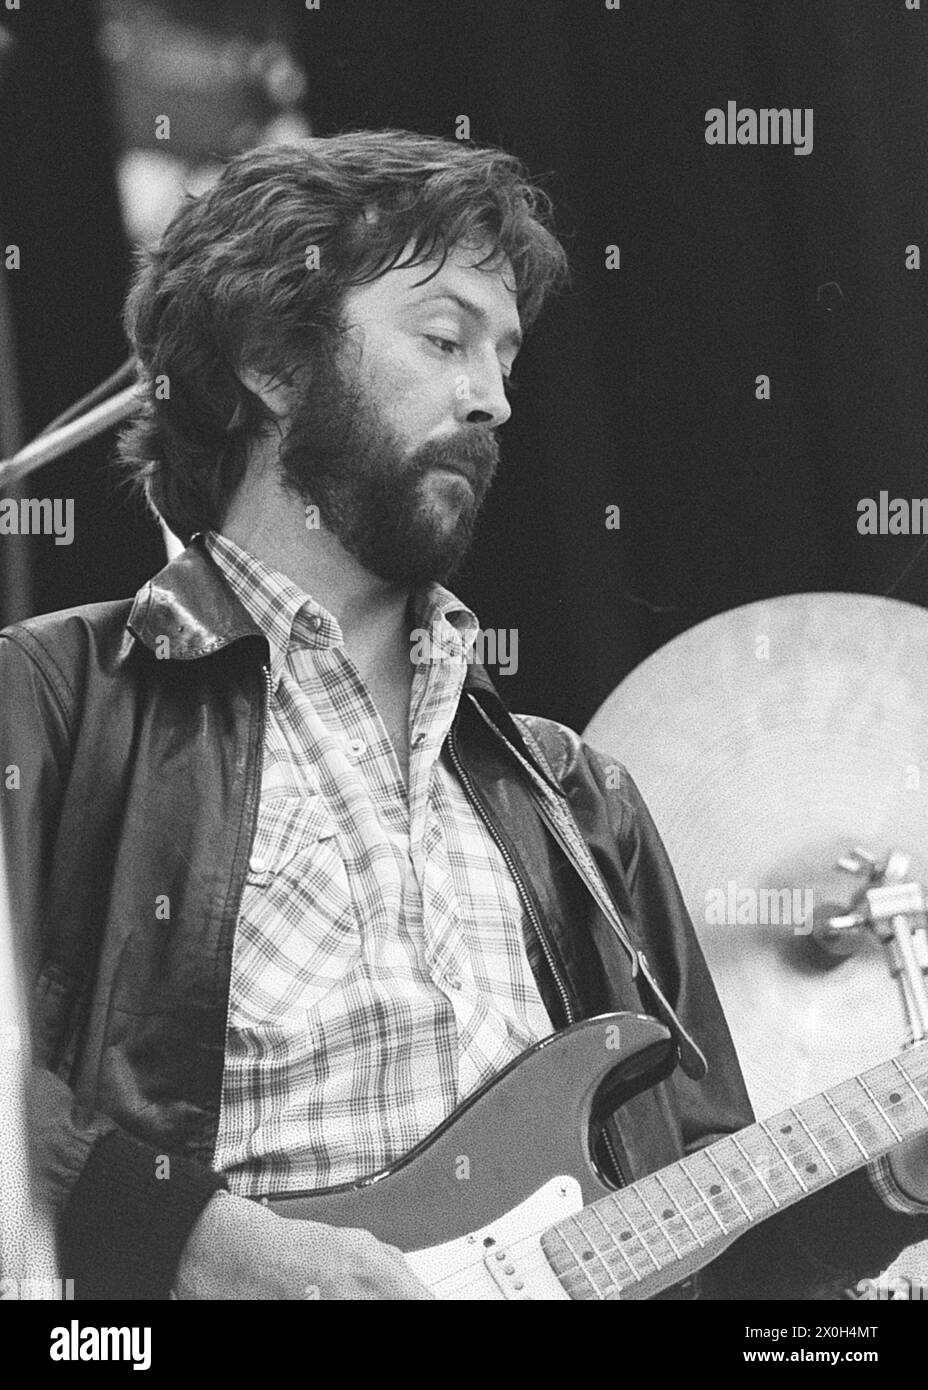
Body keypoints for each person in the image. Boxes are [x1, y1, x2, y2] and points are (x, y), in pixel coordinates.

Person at [2, 130, 926, 1301]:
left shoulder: (580, 804)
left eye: (504, 358)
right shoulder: (51, 701)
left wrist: (889, 1183)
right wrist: (193, 1237)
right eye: (443, 339)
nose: (490, 397)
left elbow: (718, 1273)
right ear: (273, 365)